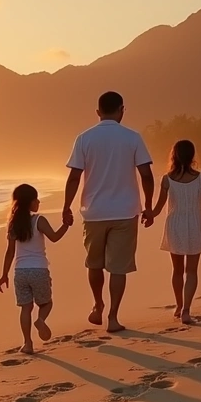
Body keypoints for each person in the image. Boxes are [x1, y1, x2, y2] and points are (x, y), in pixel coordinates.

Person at [63, 91, 155, 333]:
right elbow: (146, 174)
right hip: (125, 211)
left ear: (98, 112)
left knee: (94, 264)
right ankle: (113, 317)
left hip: (94, 212)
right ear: (122, 110)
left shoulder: (84, 138)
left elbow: (74, 177)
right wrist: (149, 206)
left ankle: (97, 304)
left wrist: (66, 207)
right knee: (118, 267)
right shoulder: (132, 137)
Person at [0, 184, 71, 354]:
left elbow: (10, 252)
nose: (38, 202)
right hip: (39, 270)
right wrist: (66, 225)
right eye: (36, 199)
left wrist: (4, 275)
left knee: (25, 308)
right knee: (47, 303)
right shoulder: (39, 220)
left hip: (20, 272)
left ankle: (28, 343)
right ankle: (41, 320)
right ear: (30, 202)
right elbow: (54, 237)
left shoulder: (13, 224)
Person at [146, 140, 201, 325]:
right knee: (192, 271)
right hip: (194, 224)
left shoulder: (167, 179)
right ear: (192, 156)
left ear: (174, 156)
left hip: (174, 224)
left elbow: (158, 208)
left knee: (177, 270)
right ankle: (186, 310)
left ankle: (178, 305)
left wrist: (148, 214)